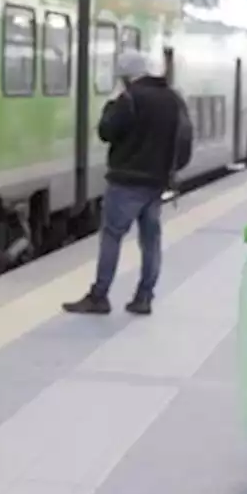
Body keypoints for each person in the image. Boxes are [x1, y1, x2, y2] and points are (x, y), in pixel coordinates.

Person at [64, 47, 192, 317]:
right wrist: (171, 170)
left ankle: (99, 296)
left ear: (125, 76)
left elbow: (106, 132)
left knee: (112, 237)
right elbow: (184, 137)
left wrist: (112, 105)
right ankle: (144, 297)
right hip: (157, 183)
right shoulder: (172, 98)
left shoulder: (130, 98)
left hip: (125, 183)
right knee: (151, 240)